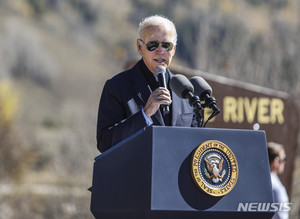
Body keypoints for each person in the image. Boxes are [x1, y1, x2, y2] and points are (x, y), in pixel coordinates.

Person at [96, 15, 200, 152]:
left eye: (166, 45)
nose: (160, 50)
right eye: (153, 45)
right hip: (138, 172)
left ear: (173, 49)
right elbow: (105, 142)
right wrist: (145, 114)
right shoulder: (116, 86)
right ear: (140, 47)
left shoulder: (185, 90)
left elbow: (195, 142)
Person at [267, 142, 289, 219]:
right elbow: (281, 215)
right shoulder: (275, 185)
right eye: (284, 159)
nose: (284, 162)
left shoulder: (259, 179)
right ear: (276, 162)